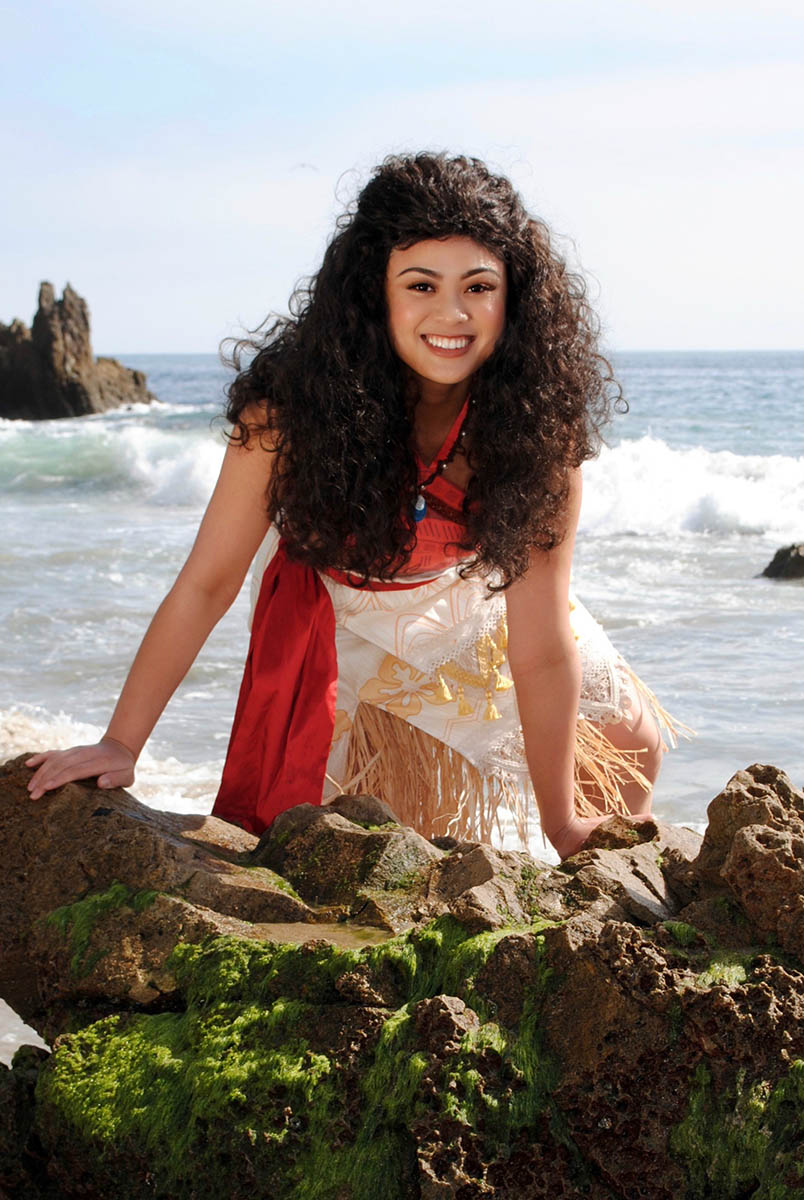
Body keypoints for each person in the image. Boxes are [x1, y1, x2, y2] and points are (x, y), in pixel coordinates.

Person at [25, 152, 679, 860]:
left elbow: (543, 643)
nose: (452, 313)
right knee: (353, 836)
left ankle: (600, 885)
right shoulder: (288, 414)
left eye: (478, 286)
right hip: (340, 616)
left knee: (632, 735)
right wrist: (121, 743)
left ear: (512, 297)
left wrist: (562, 824)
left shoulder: (535, 433)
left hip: (465, 596)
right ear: (375, 291)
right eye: (421, 284)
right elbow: (207, 583)